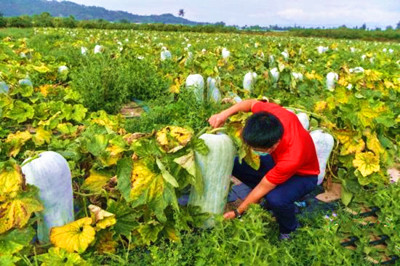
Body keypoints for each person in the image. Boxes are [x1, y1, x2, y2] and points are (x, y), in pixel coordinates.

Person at [208, 99, 320, 240]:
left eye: (257, 150)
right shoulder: (273, 116)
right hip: (276, 161)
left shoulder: (292, 156)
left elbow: (263, 186)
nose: (254, 152)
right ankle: (278, 197)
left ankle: (289, 229)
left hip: (303, 176)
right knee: (236, 165)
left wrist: (238, 211)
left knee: (276, 199)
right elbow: (250, 104)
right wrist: (223, 114)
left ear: (274, 146)